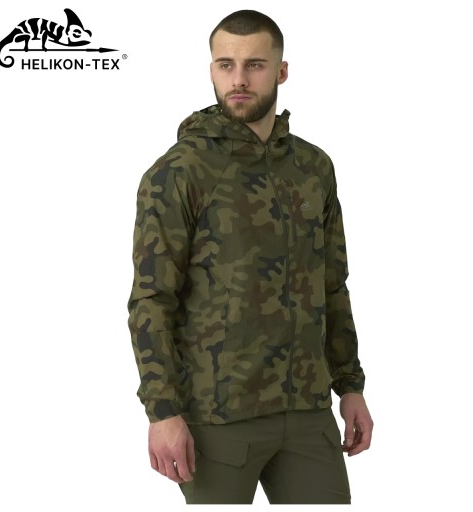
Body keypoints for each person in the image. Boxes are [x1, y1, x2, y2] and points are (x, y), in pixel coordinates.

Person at [127, 9, 373, 505]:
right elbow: (152, 299)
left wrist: (349, 384)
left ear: (281, 71)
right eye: (226, 65)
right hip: (217, 417)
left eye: (255, 65)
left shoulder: (313, 167)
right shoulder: (179, 172)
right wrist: (162, 412)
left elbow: (332, 283)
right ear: (212, 70)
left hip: (307, 412)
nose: (238, 79)